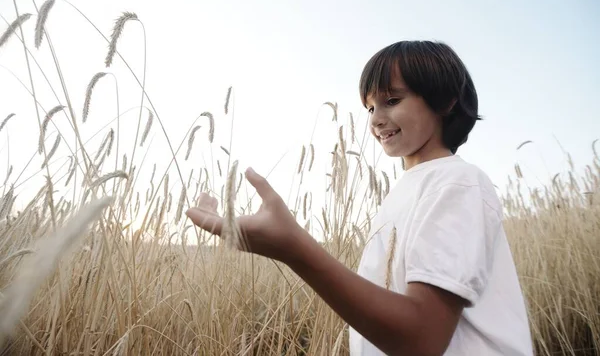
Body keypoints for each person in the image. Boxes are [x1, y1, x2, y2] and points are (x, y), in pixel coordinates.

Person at [186, 40, 534, 355]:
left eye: (392, 101)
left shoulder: (457, 182)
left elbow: (422, 339)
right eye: (369, 108)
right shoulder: (409, 190)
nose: (376, 120)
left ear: (445, 102)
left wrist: (295, 249)